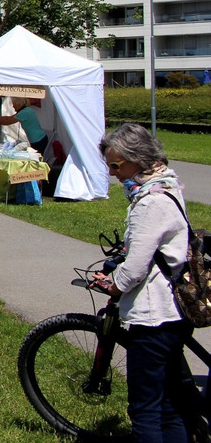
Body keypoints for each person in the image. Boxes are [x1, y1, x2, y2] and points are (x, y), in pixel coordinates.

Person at [92, 123, 191, 443]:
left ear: (138, 159)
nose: (112, 173)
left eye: (116, 165)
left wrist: (113, 285)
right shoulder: (168, 184)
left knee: (146, 409)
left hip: (153, 315)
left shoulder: (150, 202)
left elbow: (135, 269)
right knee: (169, 404)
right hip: (174, 312)